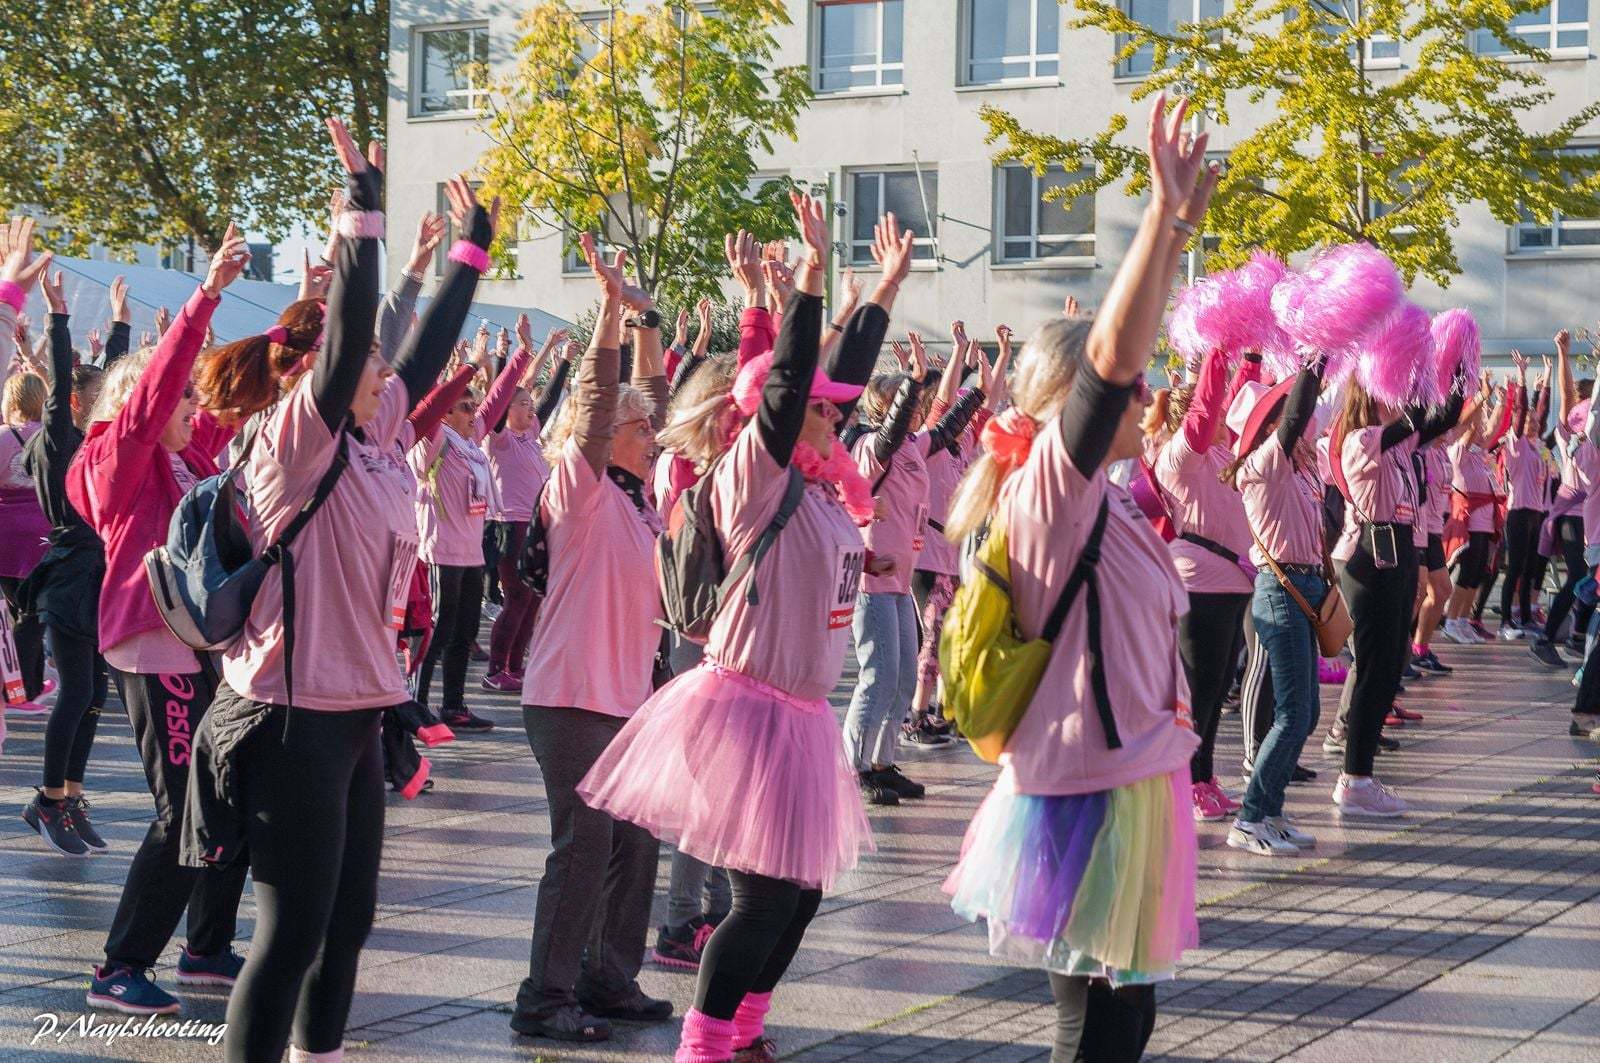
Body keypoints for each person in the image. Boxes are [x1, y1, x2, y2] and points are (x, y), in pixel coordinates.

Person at [577, 191, 905, 1063]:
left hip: (800, 716)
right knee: (762, 900)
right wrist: (809, 276)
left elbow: (830, 382)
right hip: (748, 710)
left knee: (800, 896)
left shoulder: (824, 489)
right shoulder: (755, 476)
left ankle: (742, 1033)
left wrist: (884, 292)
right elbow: (789, 383)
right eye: (823, 411)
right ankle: (703, 1046)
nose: (837, 417)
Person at [196, 125, 496, 1063]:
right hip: (291, 716)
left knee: (349, 923)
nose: (385, 366)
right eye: (368, 356)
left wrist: (473, 248)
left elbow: (430, 347)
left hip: (360, 710)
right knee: (291, 932)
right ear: (324, 370)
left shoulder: (378, 435)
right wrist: (363, 209)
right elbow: (359, 323)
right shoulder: (298, 437)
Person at [942, 94, 1215, 1063]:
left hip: (1132, 774)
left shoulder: (1110, 501)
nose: (1149, 395)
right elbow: (1110, 363)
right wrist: (1160, 220)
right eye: (1133, 389)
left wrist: (1178, 238)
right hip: (1093, 786)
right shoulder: (1051, 491)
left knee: (1122, 1018)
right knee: (1098, 1026)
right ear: (1071, 409)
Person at [67, 222, 255, 1015]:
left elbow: (237, 393)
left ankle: (206, 948)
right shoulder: (114, 457)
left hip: (202, 645)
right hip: (154, 648)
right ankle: (119, 966)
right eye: (181, 399)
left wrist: (306, 326)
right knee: (183, 811)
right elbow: (154, 397)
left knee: (230, 798)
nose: (193, 408)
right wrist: (204, 296)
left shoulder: (187, 453)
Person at [510, 233, 671, 1044]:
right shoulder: (577, 488)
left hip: (626, 701)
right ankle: (544, 996)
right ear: (603, 435)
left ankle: (607, 977)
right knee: (584, 844)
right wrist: (609, 310)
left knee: (635, 844)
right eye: (639, 430)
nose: (651, 436)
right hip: (569, 697)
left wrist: (649, 319)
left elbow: (650, 397)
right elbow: (604, 398)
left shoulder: (642, 503)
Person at [843, 330, 984, 805]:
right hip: (873, 581)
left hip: (900, 582)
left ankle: (883, 762)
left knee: (903, 678)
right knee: (877, 676)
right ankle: (855, 768)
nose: (920, 409)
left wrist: (978, 393)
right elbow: (892, 430)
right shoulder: (872, 446)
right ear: (889, 407)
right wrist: (912, 380)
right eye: (910, 403)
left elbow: (945, 432)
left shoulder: (911, 447)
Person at [17, 265, 123, 855]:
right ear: (76, 402)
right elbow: (63, 386)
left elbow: (114, 392)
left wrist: (121, 333)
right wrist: (58, 317)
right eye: (95, 397)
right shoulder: (60, 438)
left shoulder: (92, 440)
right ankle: (48, 798)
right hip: (68, 576)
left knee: (94, 695)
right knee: (77, 691)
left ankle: (70, 796)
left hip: (97, 575)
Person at [1326, 373, 1463, 817]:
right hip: (1369, 559)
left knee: (1390, 667)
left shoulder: (1401, 446)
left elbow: (1444, 416)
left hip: (1399, 553)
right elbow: (1417, 416)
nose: (1400, 398)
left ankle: (1360, 776)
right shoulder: (1362, 439)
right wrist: (1418, 366)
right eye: (1392, 390)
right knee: (1374, 667)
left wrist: (1460, 366)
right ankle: (1354, 779)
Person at [408, 320, 536, 731]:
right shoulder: (435, 440)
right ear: (445, 412)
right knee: (438, 631)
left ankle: (454, 706)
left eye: (471, 406)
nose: (472, 412)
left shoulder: (470, 441)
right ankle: (417, 705)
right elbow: (428, 404)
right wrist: (454, 360)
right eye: (464, 406)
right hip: (440, 552)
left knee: (464, 633)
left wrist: (520, 355)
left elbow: (496, 403)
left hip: (469, 554)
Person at [1226, 355, 1327, 855]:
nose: (1304, 424)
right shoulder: (1262, 464)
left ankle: (1270, 811)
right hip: (1280, 590)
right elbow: (1296, 415)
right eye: (1286, 417)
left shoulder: (1300, 468)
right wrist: (1316, 358)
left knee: (1306, 712)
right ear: (1268, 427)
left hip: (1304, 587)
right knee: (1292, 712)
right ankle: (1248, 819)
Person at [1155, 344, 1260, 823]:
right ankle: (1188, 785)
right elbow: (1206, 407)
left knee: (1215, 692)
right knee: (1197, 693)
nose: (1223, 415)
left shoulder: (1221, 451)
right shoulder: (1182, 455)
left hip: (1232, 584)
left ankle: (1204, 777)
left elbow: (1239, 400)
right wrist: (1218, 351)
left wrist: (1251, 355)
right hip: (1199, 586)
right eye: (1216, 410)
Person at [481, 320, 568, 690]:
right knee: (516, 597)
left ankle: (515, 668)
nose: (531, 409)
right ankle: (494, 670)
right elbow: (501, 396)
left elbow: (548, 397)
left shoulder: (531, 435)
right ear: (506, 408)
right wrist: (525, 350)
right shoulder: (498, 438)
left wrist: (563, 361)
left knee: (532, 599)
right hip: (509, 524)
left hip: (534, 524)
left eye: (530, 405)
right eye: (522, 404)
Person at [1533, 331, 1592, 668]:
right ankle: (1547, 638)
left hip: (1590, 512)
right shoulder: (1569, 427)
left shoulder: (1593, 434)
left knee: (1590, 574)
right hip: (1572, 511)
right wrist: (1563, 353)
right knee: (1580, 574)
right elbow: (1567, 393)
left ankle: (1577, 636)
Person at [1499, 353, 1551, 637]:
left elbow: (1541, 413)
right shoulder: (1515, 444)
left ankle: (1526, 618)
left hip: (1536, 513)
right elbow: (1521, 413)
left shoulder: (1538, 448)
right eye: (1528, 423)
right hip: (1518, 513)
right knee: (1515, 568)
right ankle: (1506, 622)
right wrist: (1521, 377)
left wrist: (1547, 380)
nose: (1532, 425)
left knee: (1530, 568)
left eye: (1535, 424)